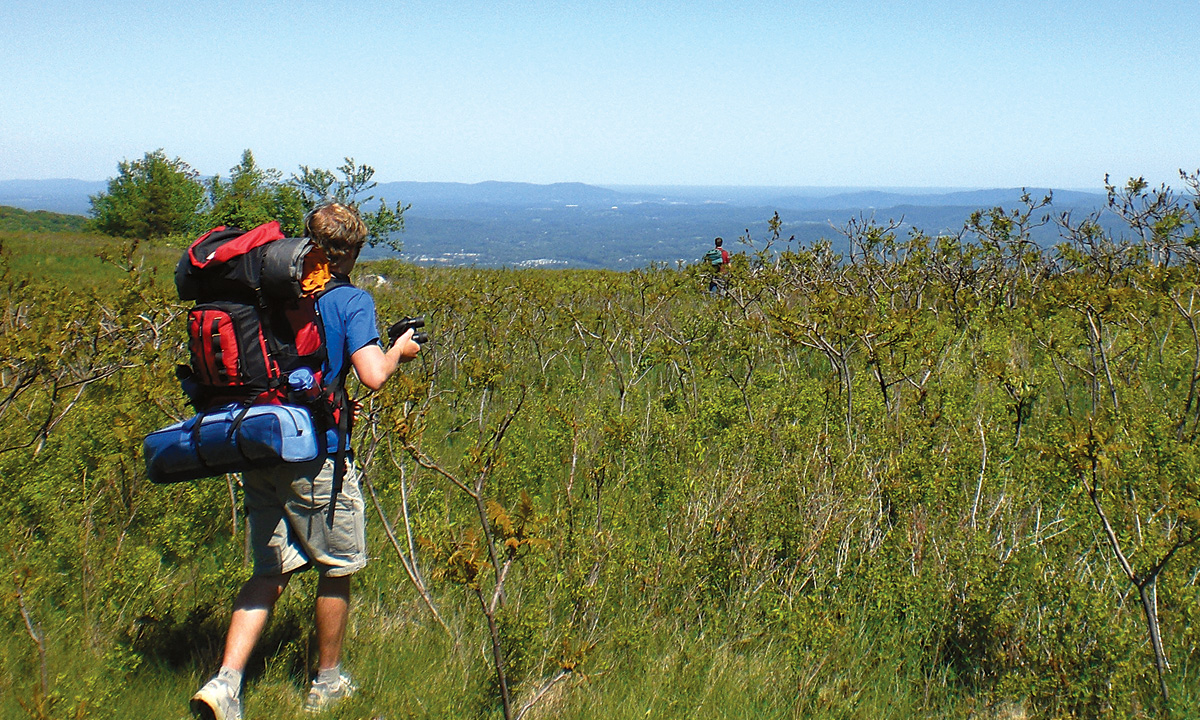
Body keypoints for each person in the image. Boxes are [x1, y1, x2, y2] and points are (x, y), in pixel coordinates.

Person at [190, 203, 422, 720]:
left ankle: (225, 683)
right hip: (316, 453)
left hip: (258, 440)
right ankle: (328, 683)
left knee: (269, 570)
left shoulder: (267, 292)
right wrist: (398, 351)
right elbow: (372, 375)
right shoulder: (351, 300)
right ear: (354, 251)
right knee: (337, 566)